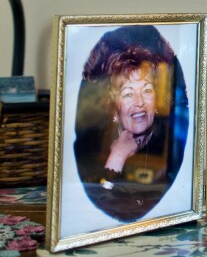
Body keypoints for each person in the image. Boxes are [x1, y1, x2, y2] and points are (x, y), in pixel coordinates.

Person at [74, 25, 188, 222]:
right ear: (114, 104)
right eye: (128, 93)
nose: (139, 101)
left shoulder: (173, 148)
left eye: (147, 90)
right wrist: (118, 155)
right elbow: (95, 205)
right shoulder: (90, 144)